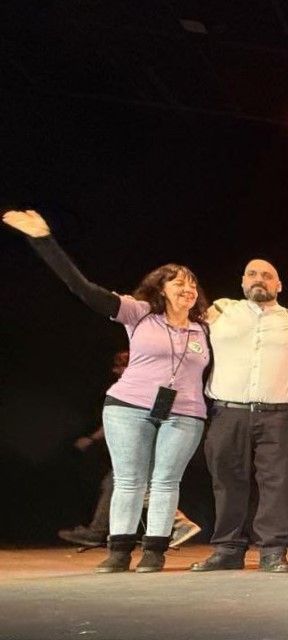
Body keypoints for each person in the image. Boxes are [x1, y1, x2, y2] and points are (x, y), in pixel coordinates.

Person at [5, 209, 211, 573]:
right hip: (128, 408)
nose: (188, 288)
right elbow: (84, 290)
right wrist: (43, 241)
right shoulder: (139, 312)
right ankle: (119, 551)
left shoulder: (205, 327)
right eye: (178, 282)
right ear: (160, 288)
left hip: (185, 413)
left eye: (192, 283)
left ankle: (154, 552)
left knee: (166, 481)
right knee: (129, 480)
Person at [190, 259, 288, 573]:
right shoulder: (220, 311)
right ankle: (228, 549)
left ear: (279, 285)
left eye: (267, 275)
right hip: (227, 412)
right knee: (227, 481)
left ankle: (272, 551)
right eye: (252, 274)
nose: (259, 279)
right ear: (243, 281)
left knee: (276, 483)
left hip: (277, 415)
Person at [59, 351, 201, 551]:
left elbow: (158, 419)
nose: (115, 371)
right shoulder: (137, 387)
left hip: (154, 441)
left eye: (120, 366)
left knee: (134, 485)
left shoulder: (158, 384)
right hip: (147, 439)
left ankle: (179, 524)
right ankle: (99, 531)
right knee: (119, 483)